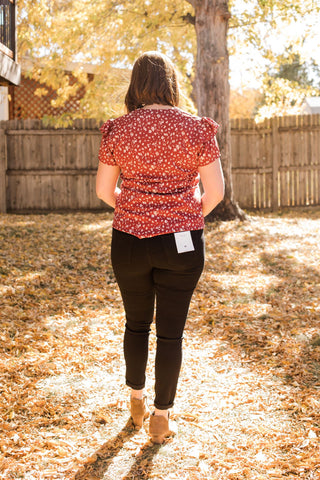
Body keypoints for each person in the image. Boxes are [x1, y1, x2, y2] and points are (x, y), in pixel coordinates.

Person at [96, 51, 224, 444]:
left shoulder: (118, 130)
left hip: (130, 242)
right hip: (181, 246)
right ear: (171, 83)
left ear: (135, 85)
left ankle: (135, 399)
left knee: (136, 323)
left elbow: (103, 191)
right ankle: (160, 418)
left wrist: (139, 212)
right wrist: (179, 216)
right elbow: (216, 193)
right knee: (171, 335)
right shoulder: (196, 129)